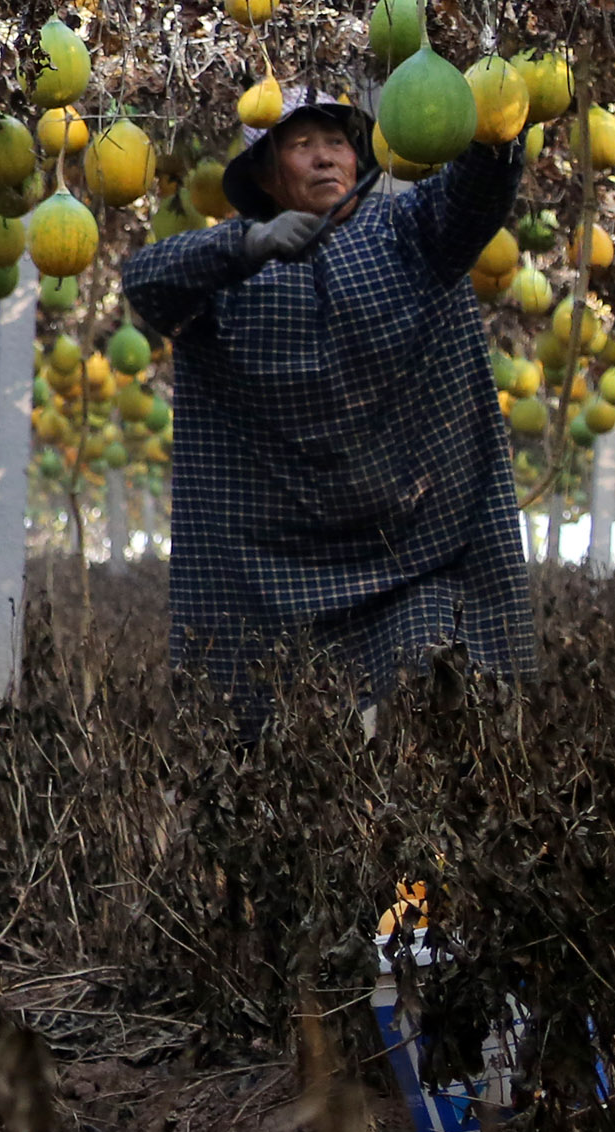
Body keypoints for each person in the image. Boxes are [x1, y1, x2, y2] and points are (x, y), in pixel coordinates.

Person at [118, 87, 529, 722]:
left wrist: (495, 123)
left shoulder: (409, 230)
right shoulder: (225, 277)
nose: (323, 158)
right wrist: (248, 246)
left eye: (335, 141)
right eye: (300, 145)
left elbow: (475, 198)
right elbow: (145, 279)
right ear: (264, 174)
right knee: (267, 760)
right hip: (271, 573)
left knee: (439, 710)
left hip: (418, 553)